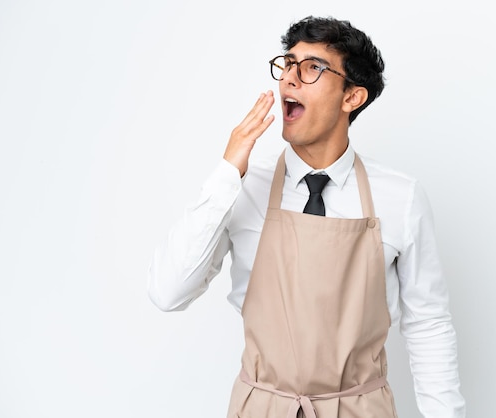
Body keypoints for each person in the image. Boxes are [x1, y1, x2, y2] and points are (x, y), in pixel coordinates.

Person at [149, 15, 465, 418]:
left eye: (313, 67)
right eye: (288, 64)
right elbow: (168, 292)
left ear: (353, 97)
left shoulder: (400, 197)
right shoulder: (242, 187)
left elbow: (429, 325)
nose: (289, 80)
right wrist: (227, 171)